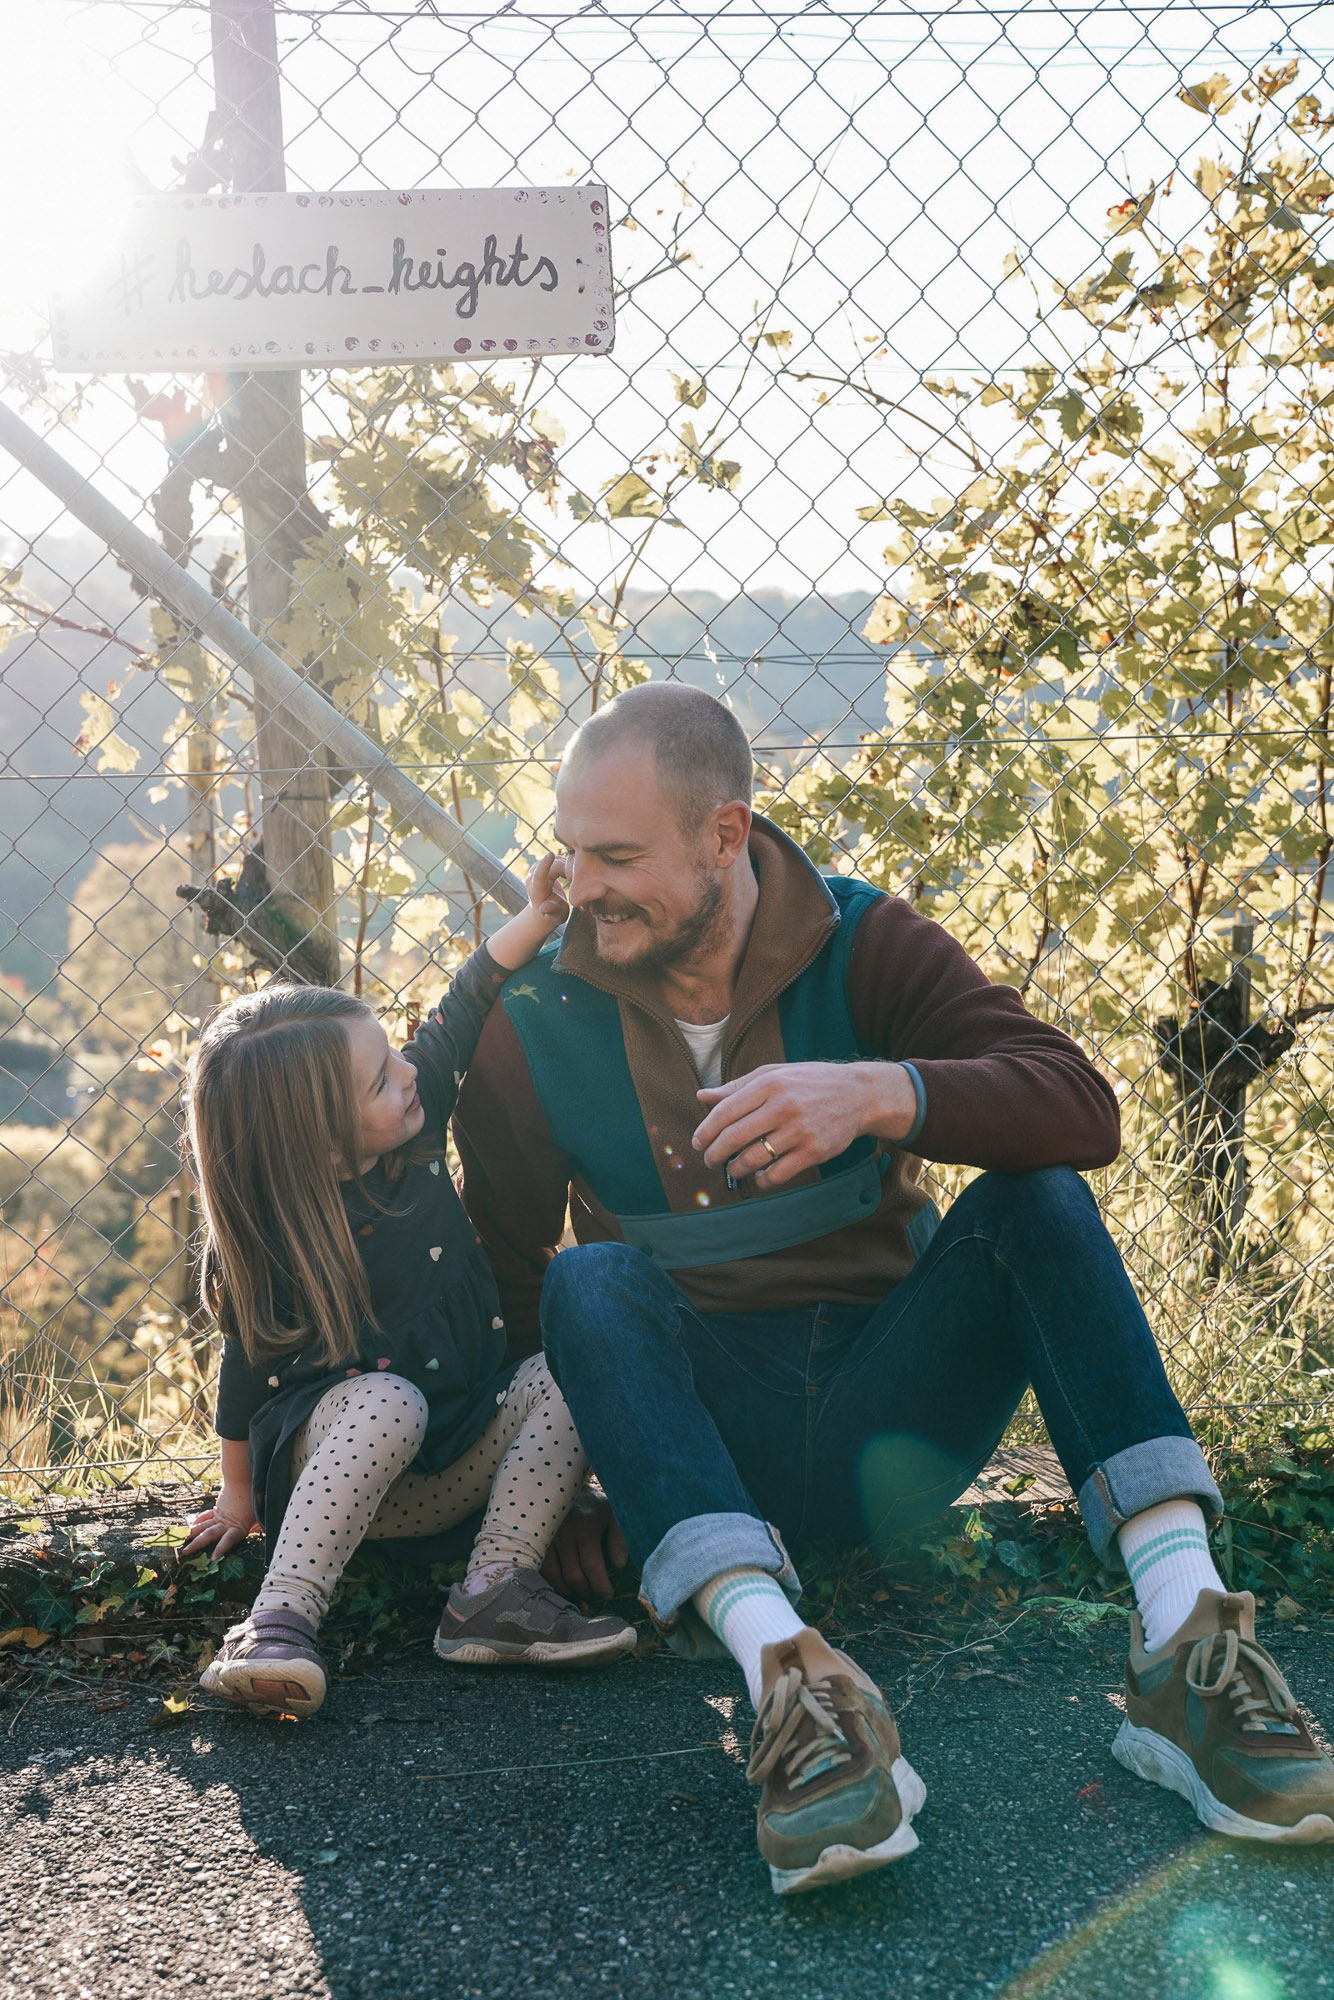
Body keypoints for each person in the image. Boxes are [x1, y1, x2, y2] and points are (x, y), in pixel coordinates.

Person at [454, 682, 1334, 1894]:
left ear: (723, 833)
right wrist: (560, 1489)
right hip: (712, 1439)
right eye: (568, 850)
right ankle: (794, 1690)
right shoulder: (539, 1008)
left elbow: (1079, 1103)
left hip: (897, 1416)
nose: (581, 884)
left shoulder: (861, 936)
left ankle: (1186, 1650)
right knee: (589, 1278)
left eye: (614, 854)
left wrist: (879, 1091)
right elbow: (510, 1276)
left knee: (1038, 1198)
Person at [182, 855, 635, 1719]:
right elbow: (242, 1378)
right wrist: (236, 1493)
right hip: (340, 1477)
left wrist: (537, 918)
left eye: (392, 1052)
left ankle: (495, 1590)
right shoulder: (271, 1246)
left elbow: (462, 1006)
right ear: (322, 1147)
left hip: (452, 1457)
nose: (408, 1073)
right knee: (385, 1400)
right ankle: (277, 1621)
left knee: (567, 1369)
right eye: (381, 1080)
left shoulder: (414, 1142)